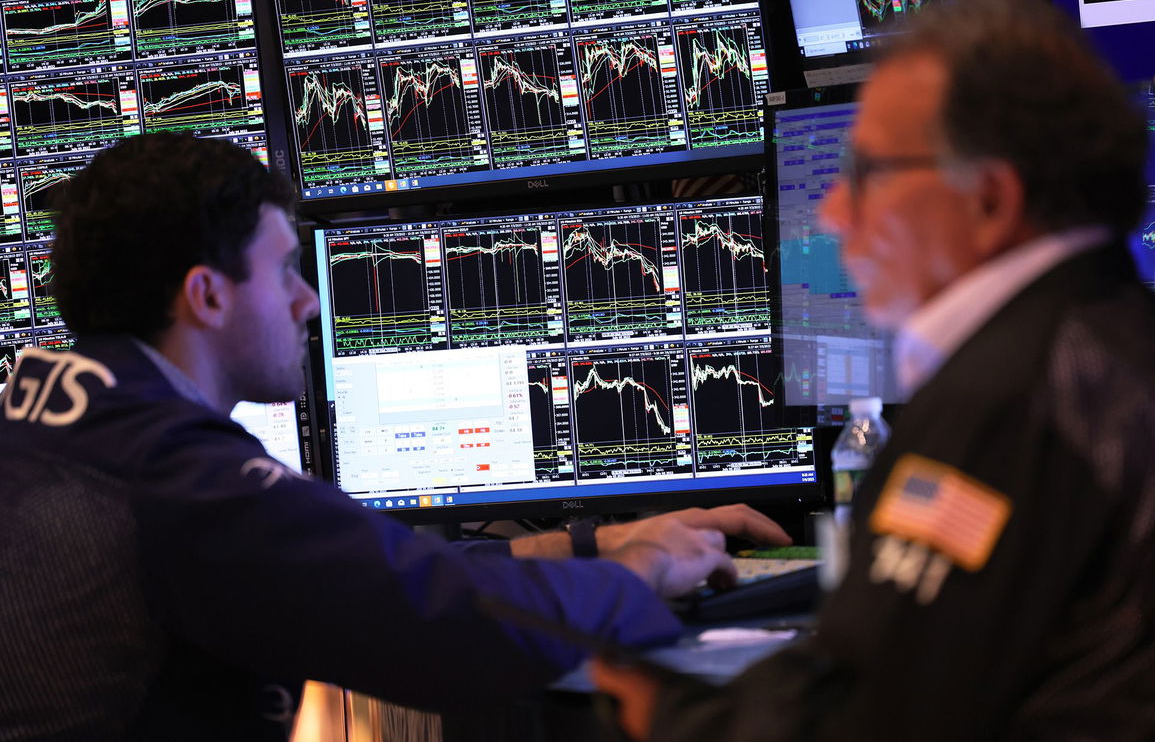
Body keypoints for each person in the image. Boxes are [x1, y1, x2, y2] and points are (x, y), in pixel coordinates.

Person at [0, 132, 790, 741]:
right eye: (283, 271)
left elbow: (378, 571)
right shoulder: (172, 476)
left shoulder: (64, 424)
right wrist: (648, 571)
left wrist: (596, 542)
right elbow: (450, 629)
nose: (309, 301)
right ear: (205, 295)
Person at [593, 0, 1155, 741]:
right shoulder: (1123, 338)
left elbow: (876, 712)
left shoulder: (1005, 399)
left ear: (990, 199)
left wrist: (668, 712)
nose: (834, 213)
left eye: (870, 172)